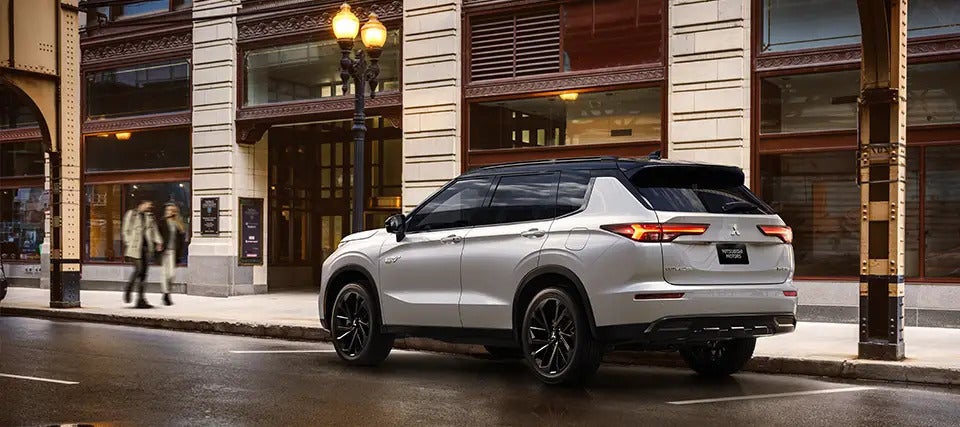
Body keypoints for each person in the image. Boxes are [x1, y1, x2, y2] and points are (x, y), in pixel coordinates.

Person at [122, 200, 161, 308]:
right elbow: (125, 230)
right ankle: (129, 289)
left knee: (144, 274)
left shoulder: (150, 216)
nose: (150, 206)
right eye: (148, 204)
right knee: (139, 270)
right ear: (141, 204)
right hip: (135, 248)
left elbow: (154, 231)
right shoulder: (131, 214)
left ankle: (141, 300)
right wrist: (129, 242)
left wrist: (158, 241)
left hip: (146, 248)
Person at [158, 203, 186, 306]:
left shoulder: (178, 224)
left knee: (171, 275)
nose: (168, 211)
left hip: (174, 252)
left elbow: (181, 241)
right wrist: (158, 246)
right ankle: (166, 295)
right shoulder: (162, 222)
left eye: (170, 210)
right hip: (165, 252)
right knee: (165, 274)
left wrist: (180, 255)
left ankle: (166, 292)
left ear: (174, 212)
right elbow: (157, 236)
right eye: (167, 210)